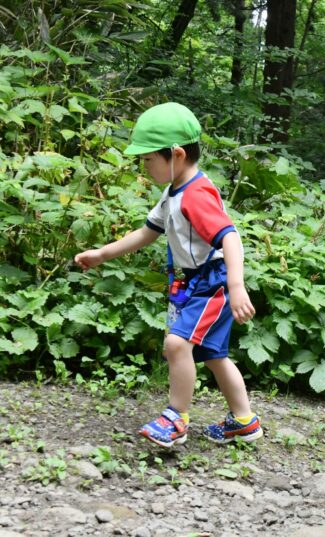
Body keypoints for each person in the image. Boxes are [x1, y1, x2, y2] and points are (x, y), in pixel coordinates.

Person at [74, 102, 261, 448]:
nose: (143, 167)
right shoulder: (174, 191)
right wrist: (102, 254)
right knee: (214, 356)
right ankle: (244, 420)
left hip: (211, 283)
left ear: (176, 154)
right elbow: (147, 232)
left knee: (176, 346)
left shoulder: (196, 195)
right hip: (194, 283)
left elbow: (230, 236)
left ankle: (176, 418)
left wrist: (236, 286)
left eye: (147, 159)